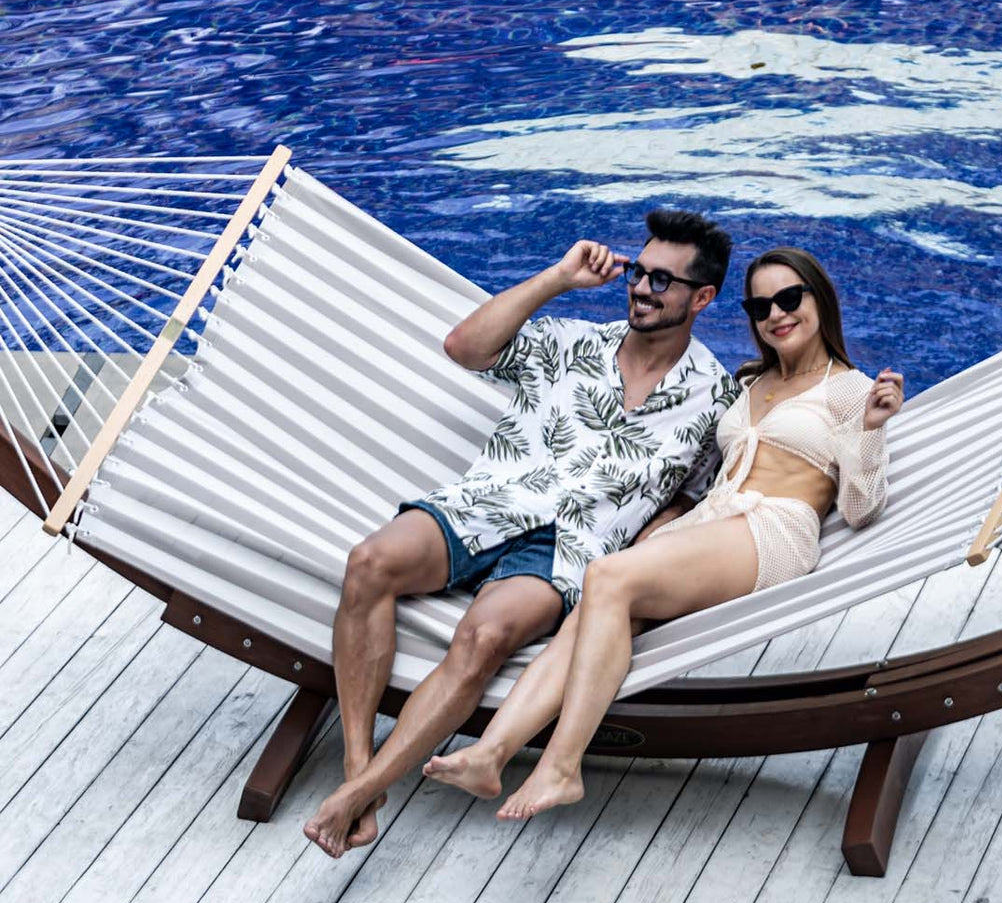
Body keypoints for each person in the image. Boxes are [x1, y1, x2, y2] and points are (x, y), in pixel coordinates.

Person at [303, 210, 737, 858]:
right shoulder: (569, 340)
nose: (642, 289)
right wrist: (557, 279)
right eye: (639, 272)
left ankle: (358, 791)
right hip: (489, 502)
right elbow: (463, 348)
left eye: (663, 282)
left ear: (702, 297)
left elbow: (695, 497)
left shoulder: (717, 399)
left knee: (484, 638)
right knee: (369, 562)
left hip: (568, 550)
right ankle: (359, 780)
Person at [424, 246, 904, 818]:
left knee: (607, 576)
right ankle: (491, 752)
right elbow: (698, 476)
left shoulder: (851, 389)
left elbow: (861, 506)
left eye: (789, 298)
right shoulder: (750, 381)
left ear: (818, 300)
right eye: (760, 305)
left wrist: (871, 430)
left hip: (773, 528)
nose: (775, 313)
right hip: (712, 525)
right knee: (594, 609)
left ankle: (561, 766)